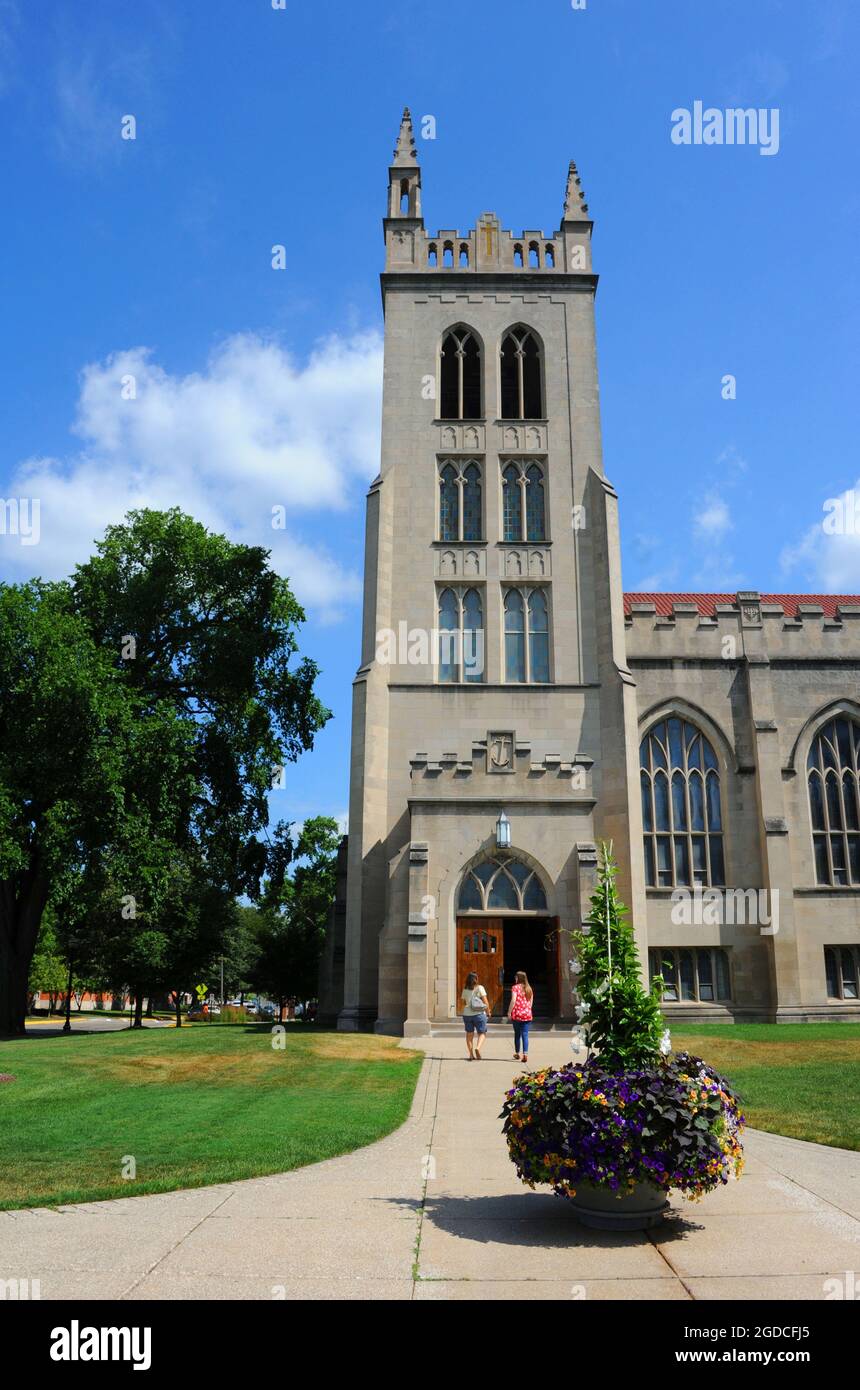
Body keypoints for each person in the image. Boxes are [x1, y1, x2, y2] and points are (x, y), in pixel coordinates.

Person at [461, 971, 489, 1060]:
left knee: (469, 1035)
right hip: (479, 1014)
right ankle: (478, 1048)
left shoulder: (465, 989)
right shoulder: (480, 988)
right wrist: (488, 1011)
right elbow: (485, 1001)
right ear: (476, 979)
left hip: (467, 1015)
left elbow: (464, 1002)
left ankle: (471, 1054)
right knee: (482, 1033)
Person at [508, 970, 533, 1064]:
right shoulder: (529, 988)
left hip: (517, 1015)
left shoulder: (515, 988)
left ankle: (517, 1053)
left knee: (517, 1034)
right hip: (527, 1014)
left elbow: (513, 1000)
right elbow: (530, 1004)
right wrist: (526, 1010)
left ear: (518, 978)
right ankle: (525, 1054)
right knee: (525, 1034)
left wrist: (509, 1012)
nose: (515, 978)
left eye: (516, 977)